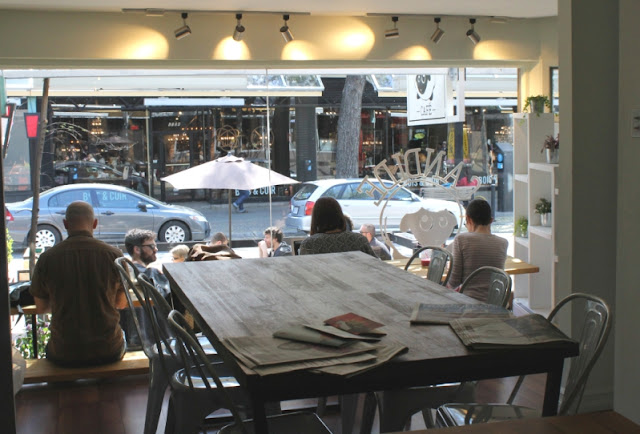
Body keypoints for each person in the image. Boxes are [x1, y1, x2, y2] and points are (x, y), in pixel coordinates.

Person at [29, 201, 127, 366]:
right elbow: (121, 303)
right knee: (121, 338)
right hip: (108, 349)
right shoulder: (114, 255)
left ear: (65, 224)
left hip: (63, 351)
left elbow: (41, 308)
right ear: (95, 224)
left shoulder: (47, 258)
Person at [447, 199, 508, 302]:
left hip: (468, 305)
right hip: (495, 305)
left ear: (469, 219)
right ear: (491, 220)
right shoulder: (503, 243)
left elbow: (454, 282)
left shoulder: (461, 240)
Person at [299, 197, 377, 258]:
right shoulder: (359, 239)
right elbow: (376, 265)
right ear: (340, 215)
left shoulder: (309, 244)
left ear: (316, 218)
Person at [123, 229, 171, 299]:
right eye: (152, 246)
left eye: (155, 246)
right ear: (137, 249)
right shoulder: (150, 273)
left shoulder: (125, 271)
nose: (156, 249)